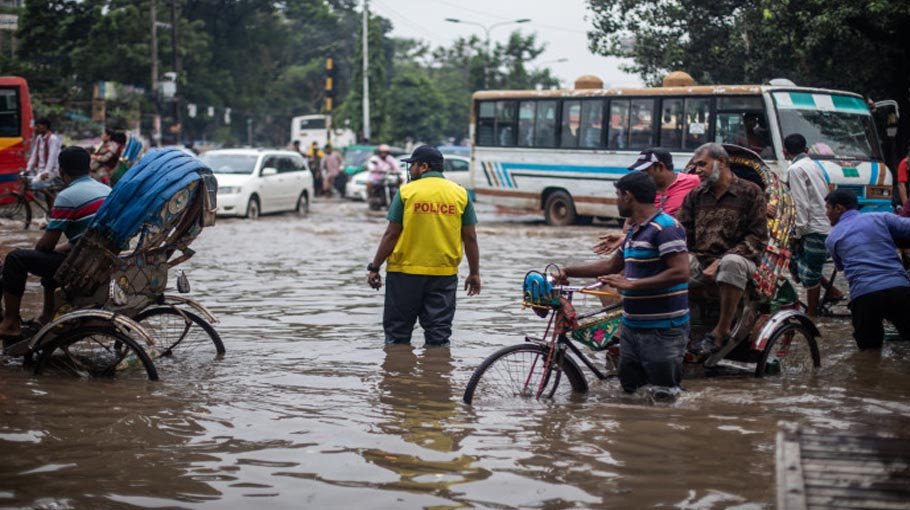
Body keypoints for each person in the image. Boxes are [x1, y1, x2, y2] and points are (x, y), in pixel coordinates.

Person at [556, 172, 689, 394]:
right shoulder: (634, 232)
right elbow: (610, 266)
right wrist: (567, 270)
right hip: (632, 326)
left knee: (665, 394)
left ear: (628, 196)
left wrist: (633, 284)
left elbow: (681, 272)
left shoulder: (666, 227)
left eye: (618, 195)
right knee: (631, 392)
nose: (617, 201)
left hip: (663, 329)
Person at [366, 145, 481, 346]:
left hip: (404, 274)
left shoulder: (406, 192)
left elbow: (391, 234)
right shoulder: (460, 194)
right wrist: (474, 273)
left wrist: (375, 267)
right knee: (439, 336)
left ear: (424, 166)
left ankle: (396, 366)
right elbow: (470, 238)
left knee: (397, 336)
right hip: (443, 275)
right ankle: (437, 366)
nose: (411, 170)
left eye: (413, 165)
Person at [0, 147, 111, 343]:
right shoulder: (107, 191)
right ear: (88, 168)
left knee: (15, 258)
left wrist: (40, 252)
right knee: (50, 259)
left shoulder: (67, 196)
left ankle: (10, 323)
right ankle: (46, 316)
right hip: (97, 261)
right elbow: (85, 237)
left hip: (81, 266)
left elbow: (46, 244)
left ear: (61, 171)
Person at [677, 143, 768, 358]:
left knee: (730, 263)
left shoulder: (750, 192)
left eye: (702, 164)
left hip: (742, 259)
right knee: (668, 266)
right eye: (695, 165)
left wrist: (721, 261)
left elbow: (757, 238)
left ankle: (722, 330)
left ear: (722, 162)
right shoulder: (696, 195)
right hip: (702, 259)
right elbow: (682, 232)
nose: (697, 170)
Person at [824, 189, 910, 349]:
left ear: (839, 208)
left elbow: (840, 267)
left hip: (864, 295)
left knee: (869, 352)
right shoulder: (881, 218)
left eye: (828, 208)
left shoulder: (832, 238)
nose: (826, 213)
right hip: (899, 289)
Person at [593, 148, 700, 255]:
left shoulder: (694, 182)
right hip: (651, 249)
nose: (642, 175)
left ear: (660, 167)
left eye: (645, 171)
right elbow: (630, 222)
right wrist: (626, 241)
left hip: (684, 248)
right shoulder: (642, 189)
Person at [783, 133, 841, 317]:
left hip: (813, 227)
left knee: (810, 274)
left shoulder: (795, 169)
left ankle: (812, 316)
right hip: (823, 223)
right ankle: (833, 291)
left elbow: (801, 203)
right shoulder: (814, 165)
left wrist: (797, 233)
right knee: (800, 263)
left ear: (784, 152)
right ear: (806, 150)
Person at [24, 118, 64, 209]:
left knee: (35, 184)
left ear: (45, 126)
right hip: (41, 170)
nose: (36, 128)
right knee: (41, 189)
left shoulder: (52, 139)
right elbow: (34, 155)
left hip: (52, 171)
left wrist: (47, 172)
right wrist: (28, 169)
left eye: (38, 126)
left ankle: (57, 200)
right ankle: (51, 209)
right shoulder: (39, 138)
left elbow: (52, 157)